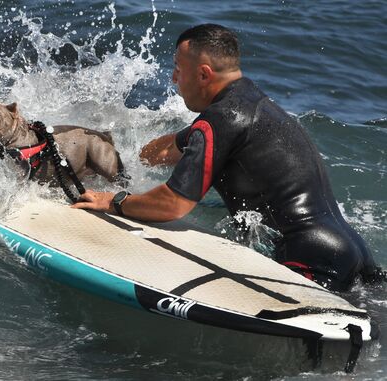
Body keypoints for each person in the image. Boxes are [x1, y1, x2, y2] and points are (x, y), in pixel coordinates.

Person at [72, 23, 382, 291]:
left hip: (309, 260)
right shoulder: (250, 104)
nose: (172, 79)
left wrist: (113, 200)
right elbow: (167, 149)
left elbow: (173, 205)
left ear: (203, 74)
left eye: (178, 69)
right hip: (351, 250)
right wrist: (127, 162)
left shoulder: (220, 120)